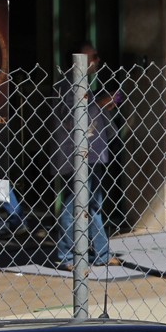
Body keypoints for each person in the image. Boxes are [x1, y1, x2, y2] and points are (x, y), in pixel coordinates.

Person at [53, 44, 117, 271]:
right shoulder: (68, 84)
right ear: (82, 60)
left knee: (93, 205)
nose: (98, 61)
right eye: (94, 57)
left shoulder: (84, 84)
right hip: (78, 155)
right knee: (73, 205)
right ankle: (66, 255)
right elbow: (74, 117)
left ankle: (101, 252)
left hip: (94, 154)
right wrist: (98, 103)